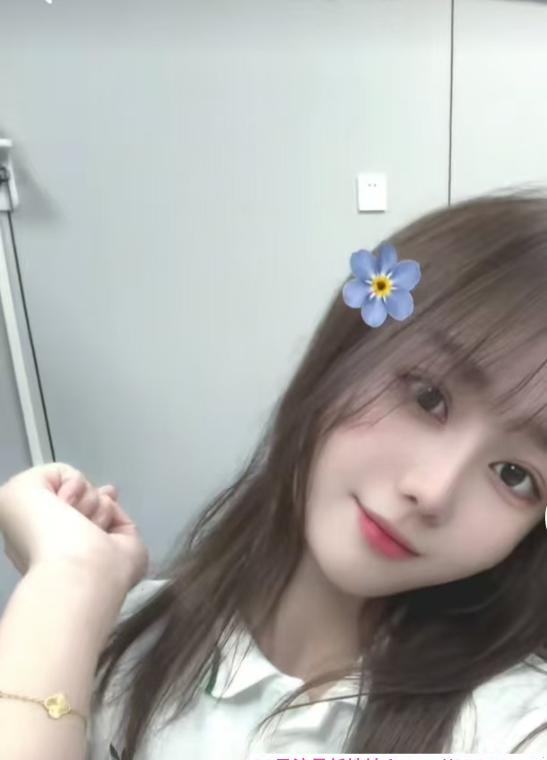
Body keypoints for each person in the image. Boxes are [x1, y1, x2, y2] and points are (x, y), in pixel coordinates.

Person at [2, 194, 547, 760]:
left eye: (514, 475)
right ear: (339, 358)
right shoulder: (109, 629)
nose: (432, 491)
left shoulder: (517, 730)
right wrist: (69, 581)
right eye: (428, 397)